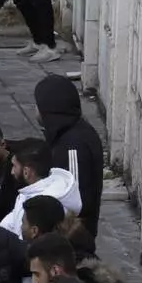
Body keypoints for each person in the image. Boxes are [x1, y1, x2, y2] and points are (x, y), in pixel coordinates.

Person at [34, 75, 105, 238]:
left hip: (70, 242)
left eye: (38, 105)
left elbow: (75, 202)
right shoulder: (66, 134)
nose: (35, 110)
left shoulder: (73, 145)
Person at [0, 140, 82, 238]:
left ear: (26, 172)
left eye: (14, 166)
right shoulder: (30, 192)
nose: (12, 171)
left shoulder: (43, 206)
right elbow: (11, 222)